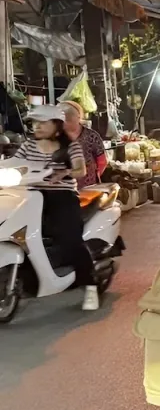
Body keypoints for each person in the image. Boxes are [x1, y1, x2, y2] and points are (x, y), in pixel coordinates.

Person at [17, 104, 98, 310]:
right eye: (35, 123)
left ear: (57, 125)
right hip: (30, 195)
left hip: (61, 195)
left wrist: (66, 173)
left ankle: (90, 286)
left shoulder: (71, 147)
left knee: (71, 240)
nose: (37, 127)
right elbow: (14, 163)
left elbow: (80, 169)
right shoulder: (27, 146)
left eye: (43, 123)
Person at [61, 101, 105, 187]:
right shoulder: (57, 137)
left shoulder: (91, 136)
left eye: (68, 119)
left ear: (78, 117)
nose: (65, 123)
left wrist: (94, 175)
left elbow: (102, 161)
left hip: (89, 186)